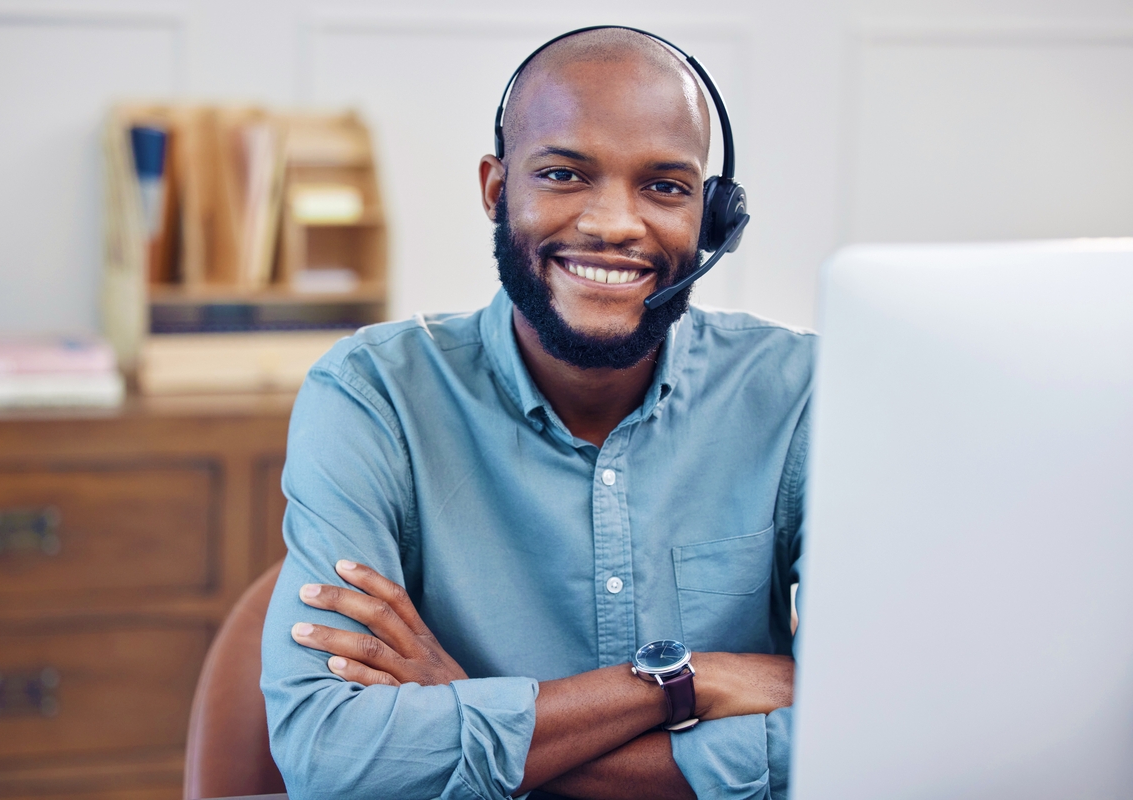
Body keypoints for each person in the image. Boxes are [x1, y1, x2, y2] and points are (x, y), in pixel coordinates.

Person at [262, 26, 813, 800]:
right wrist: (683, 683)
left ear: (713, 218)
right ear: (497, 189)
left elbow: (874, 731)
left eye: (665, 186)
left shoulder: (800, 395)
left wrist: (478, 720)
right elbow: (335, 757)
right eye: (563, 174)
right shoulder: (372, 393)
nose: (613, 224)